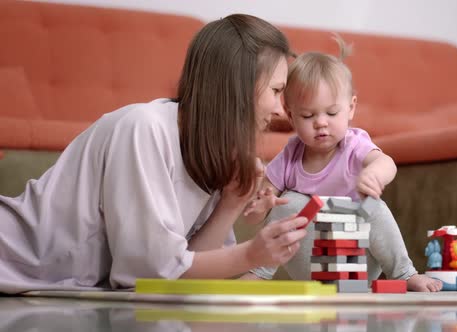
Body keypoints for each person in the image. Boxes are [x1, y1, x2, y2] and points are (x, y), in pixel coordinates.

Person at [0, 14, 309, 294]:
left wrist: (232, 202)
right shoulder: (144, 128)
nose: (281, 109)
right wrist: (252, 254)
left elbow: (184, 272)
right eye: (276, 91)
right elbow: (149, 275)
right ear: (239, 86)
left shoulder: (211, 148)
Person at [241, 37, 442, 292]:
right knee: (288, 202)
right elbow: (256, 212)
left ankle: (404, 272)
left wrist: (375, 175)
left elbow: (386, 162)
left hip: (356, 262)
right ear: (291, 116)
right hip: (310, 264)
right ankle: (259, 272)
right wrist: (262, 205)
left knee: (375, 207)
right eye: (308, 115)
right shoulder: (291, 154)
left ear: (351, 108)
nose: (321, 123)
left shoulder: (353, 145)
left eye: (332, 113)